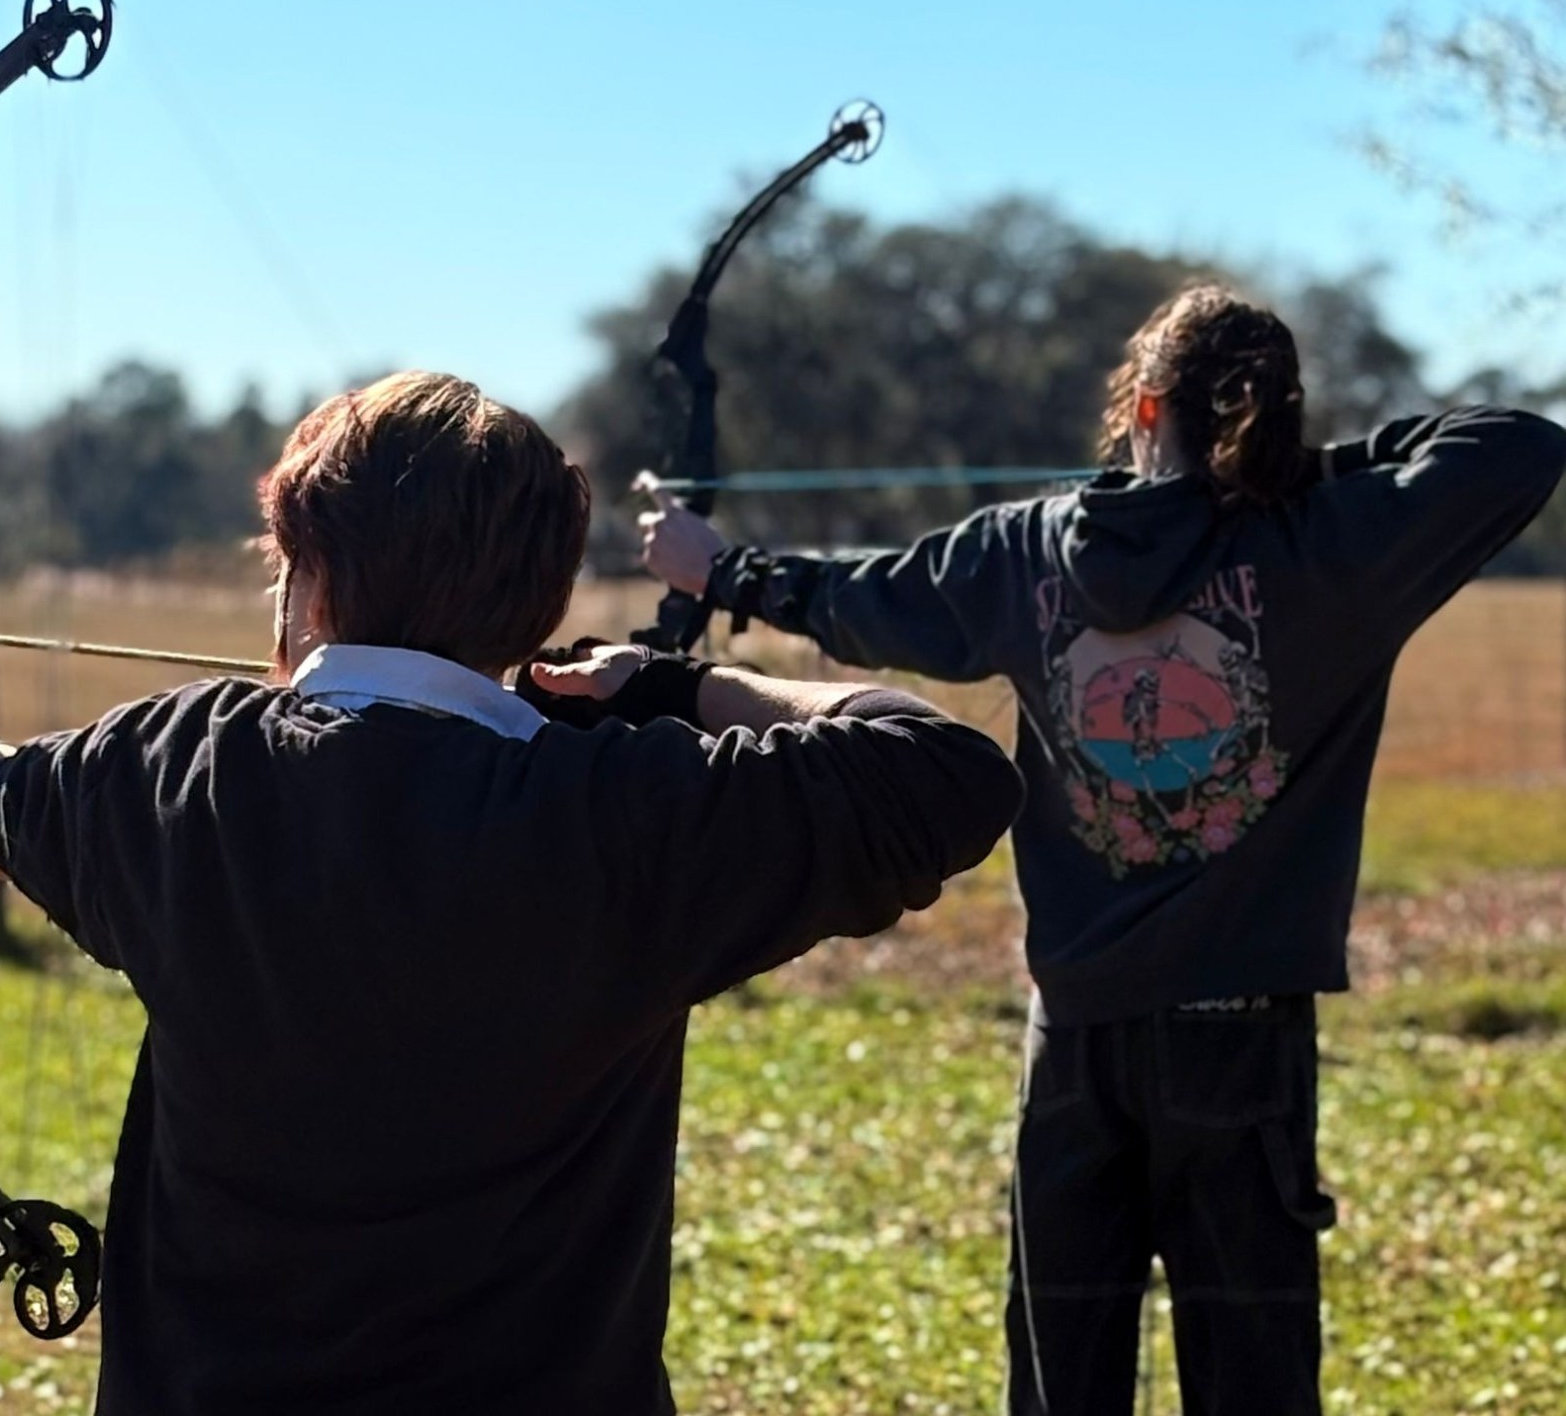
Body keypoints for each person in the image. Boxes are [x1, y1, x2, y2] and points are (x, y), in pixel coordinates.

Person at [0, 370, 1024, 1416]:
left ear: (309, 572)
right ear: (537, 607)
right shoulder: (628, 813)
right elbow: (942, 771)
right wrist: (675, 691)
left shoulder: (178, 770)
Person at [637, 282, 1566, 1414]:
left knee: (1062, 1384)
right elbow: (1518, 444)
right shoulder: (1331, 542)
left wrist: (722, 571)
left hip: (1074, 1035)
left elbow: (861, 602)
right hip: (1243, 1034)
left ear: (1140, 409)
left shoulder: (1030, 549)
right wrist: (1304, 467)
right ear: (1268, 416)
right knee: (1255, 1385)